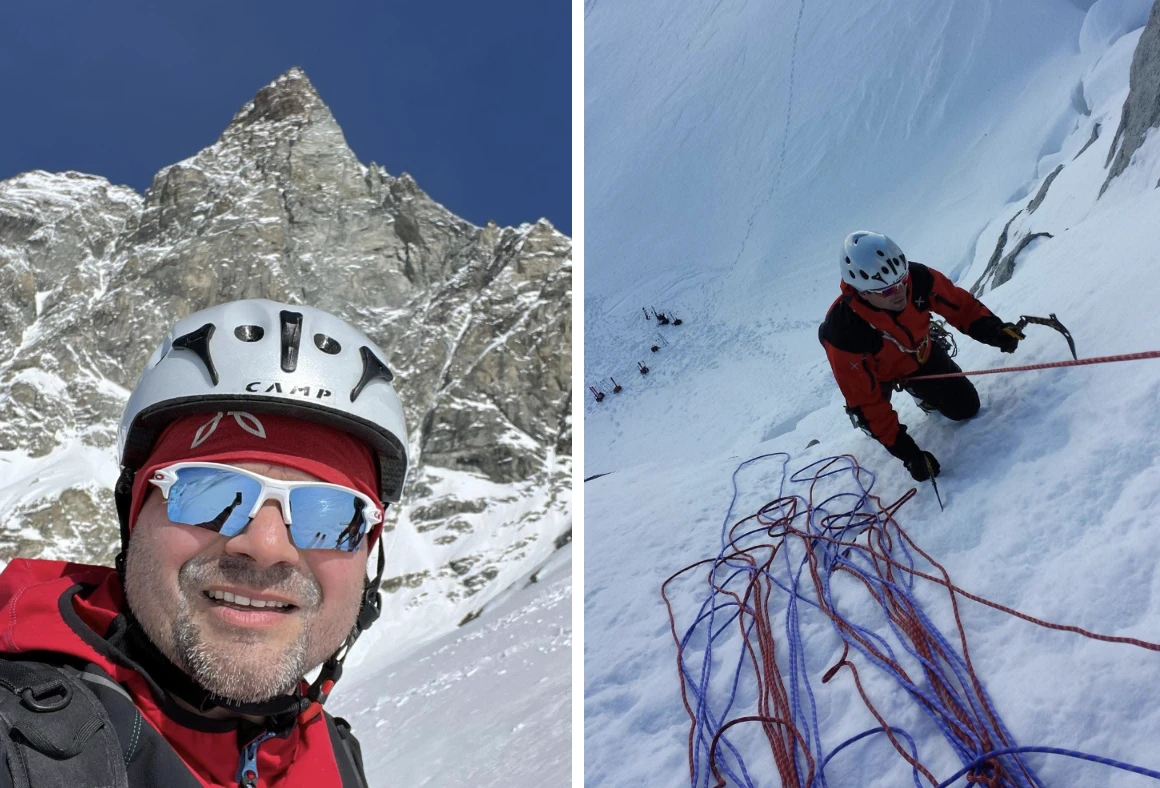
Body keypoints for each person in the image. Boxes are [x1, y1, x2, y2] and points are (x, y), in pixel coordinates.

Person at [0, 299, 409, 787]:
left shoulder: (335, 758)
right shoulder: (16, 745)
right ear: (134, 519)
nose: (266, 544)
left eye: (332, 512)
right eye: (207, 491)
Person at [818, 232, 1023, 481]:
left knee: (967, 408)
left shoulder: (918, 278)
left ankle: (920, 391)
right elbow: (869, 405)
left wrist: (995, 331)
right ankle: (896, 402)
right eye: (886, 290)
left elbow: (960, 306)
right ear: (861, 291)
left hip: (918, 354)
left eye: (901, 280)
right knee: (871, 418)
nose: (899, 291)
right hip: (875, 376)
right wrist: (910, 455)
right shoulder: (843, 334)